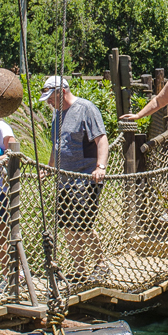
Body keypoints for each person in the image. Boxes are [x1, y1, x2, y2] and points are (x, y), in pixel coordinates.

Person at [43, 75, 108, 282]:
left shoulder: (85, 109)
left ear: (62, 92)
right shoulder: (56, 114)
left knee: (83, 225)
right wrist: (49, 168)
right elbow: (57, 145)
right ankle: (79, 269)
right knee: (68, 226)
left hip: (85, 178)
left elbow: (101, 139)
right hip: (64, 179)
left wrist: (100, 167)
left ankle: (101, 263)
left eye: (51, 97)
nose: (48, 102)